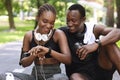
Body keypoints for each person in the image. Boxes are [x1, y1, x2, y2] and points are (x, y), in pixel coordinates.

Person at [60, 3, 120, 80]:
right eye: (67, 20)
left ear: (83, 19)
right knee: (75, 78)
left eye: (73, 20)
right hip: (81, 75)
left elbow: (118, 32)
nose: (70, 24)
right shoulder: (63, 33)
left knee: (108, 43)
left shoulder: (93, 29)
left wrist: (96, 44)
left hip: (101, 69)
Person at [19, 3, 71, 80]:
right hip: (35, 76)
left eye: (52, 23)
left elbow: (68, 60)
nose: (48, 26)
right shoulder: (29, 36)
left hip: (55, 76)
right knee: (5, 76)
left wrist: (48, 51)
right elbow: (23, 63)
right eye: (45, 21)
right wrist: (34, 54)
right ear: (37, 18)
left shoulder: (58, 34)